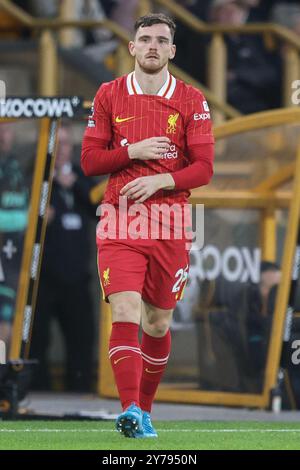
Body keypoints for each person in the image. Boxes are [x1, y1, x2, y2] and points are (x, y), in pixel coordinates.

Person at [81, 13, 214, 438]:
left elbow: (205, 168)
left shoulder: (191, 100)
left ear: (172, 51)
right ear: (132, 47)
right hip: (120, 219)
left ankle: (147, 409)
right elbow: (89, 162)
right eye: (145, 38)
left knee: (157, 323)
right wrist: (132, 151)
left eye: (161, 40)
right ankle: (131, 410)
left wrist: (161, 178)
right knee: (125, 310)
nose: (153, 45)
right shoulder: (108, 94)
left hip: (171, 222)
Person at [30, 124, 97, 392]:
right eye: (56, 144)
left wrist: (77, 186)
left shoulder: (81, 178)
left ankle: (79, 390)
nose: (60, 151)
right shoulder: (35, 179)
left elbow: (102, 209)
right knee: (37, 339)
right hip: (42, 278)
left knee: (81, 338)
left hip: (77, 278)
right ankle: (37, 390)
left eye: (66, 144)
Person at [0, 123, 29, 348]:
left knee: (9, 316)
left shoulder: (17, 166)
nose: (2, 134)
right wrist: (29, 217)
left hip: (14, 254)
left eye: (7, 128)